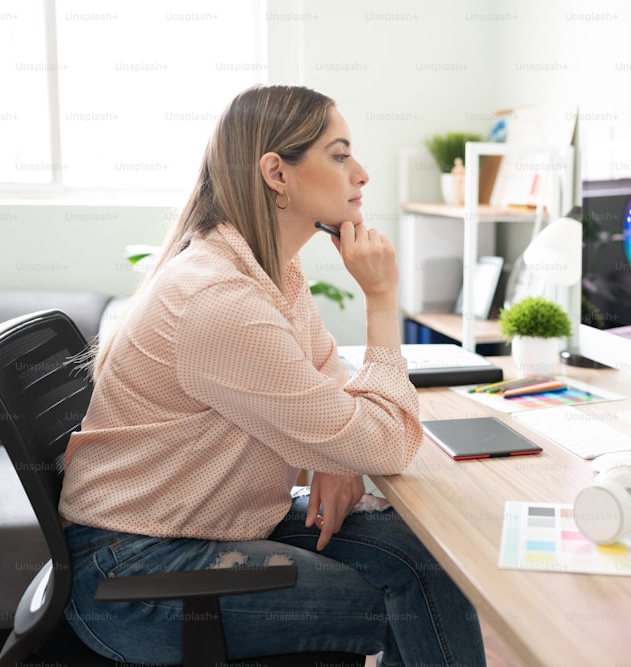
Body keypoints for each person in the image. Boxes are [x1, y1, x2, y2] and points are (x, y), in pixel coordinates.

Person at [58, 84, 486, 666]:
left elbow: (327, 381)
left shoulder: (270, 272)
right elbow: (384, 442)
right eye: (339, 155)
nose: (361, 174)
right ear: (276, 173)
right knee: (402, 601)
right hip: (138, 574)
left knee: (429, 562)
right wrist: (382, 301)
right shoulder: (220, 299)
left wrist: (337, 453)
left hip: (209, 525)